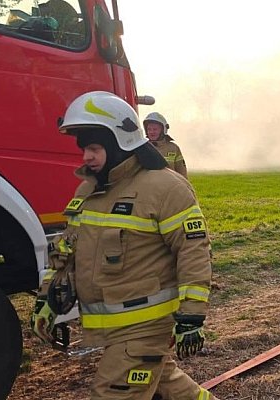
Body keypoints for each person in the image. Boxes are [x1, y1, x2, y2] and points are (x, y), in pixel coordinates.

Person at [30, 91, 217, 400]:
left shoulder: (165, 188)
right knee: (170, 388)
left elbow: (193, 251)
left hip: (146, 327)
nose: (85, 157)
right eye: (84, 149)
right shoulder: (88, 189)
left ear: (120, 144)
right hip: (114, 326)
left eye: (93, 148)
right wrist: (47, 299)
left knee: (112, 393)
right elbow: (66, 251)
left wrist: (192, 316)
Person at [144, 112, 188, 178]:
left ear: (163, 130)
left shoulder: (174, 148)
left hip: (169, 187)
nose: (151, 132)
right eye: (149, 129)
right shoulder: (143, 148)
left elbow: (182, 172)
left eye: (155, 129)